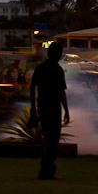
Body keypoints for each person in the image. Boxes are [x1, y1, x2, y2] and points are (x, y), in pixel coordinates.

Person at [29, 41, 70, 180]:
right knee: (52, 140)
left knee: (47, 139)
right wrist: (66, 110)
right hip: (53, 108)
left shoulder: (40, 68)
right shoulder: (57, 70)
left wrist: (33, 108)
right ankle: (47, 170)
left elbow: (32, 88)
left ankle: (45, 169)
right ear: (59, 54)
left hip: (42, 107)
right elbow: (61, 93)